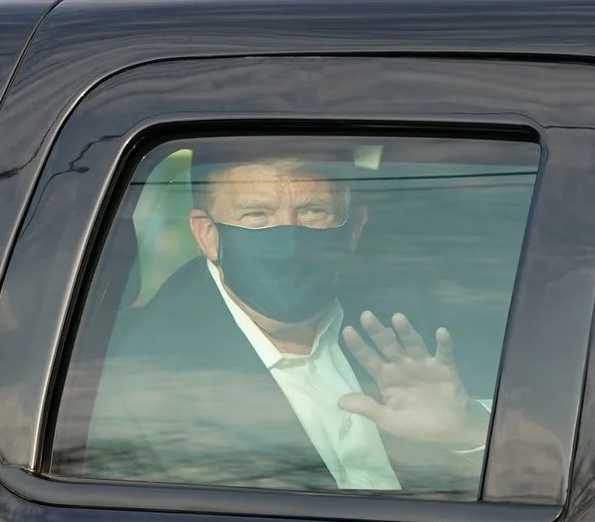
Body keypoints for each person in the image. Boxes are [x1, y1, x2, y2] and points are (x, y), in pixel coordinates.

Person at [80, 155, 490, 495]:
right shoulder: (141, 382)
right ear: (208, 235)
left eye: (313, 212)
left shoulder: (426, 314)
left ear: (354, 228)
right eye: (257, 216)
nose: (290, 240)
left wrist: (466, 433)